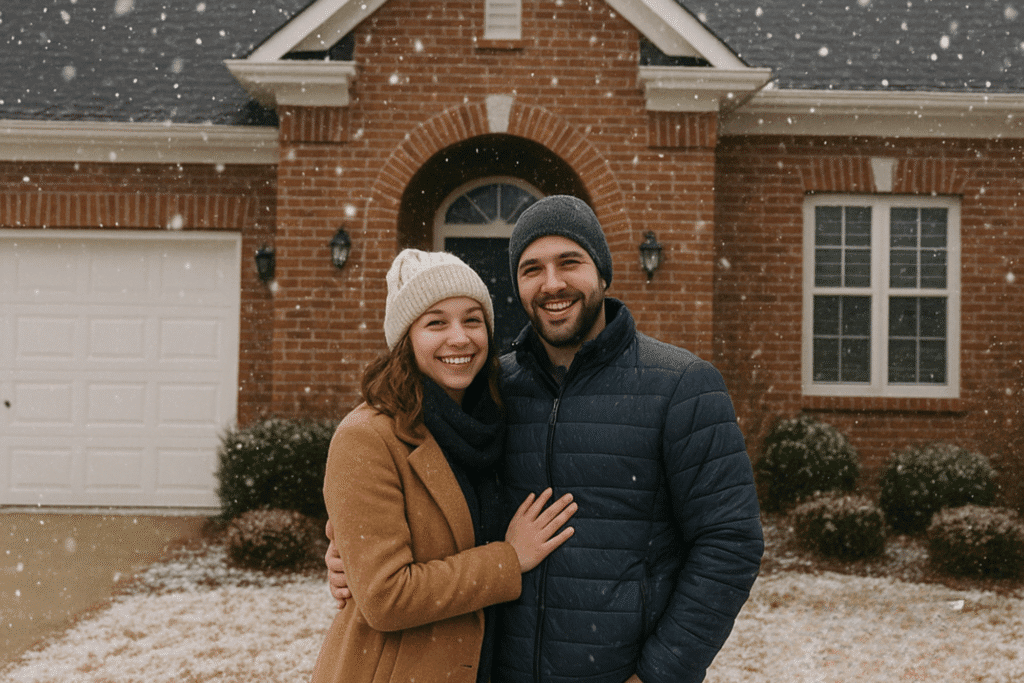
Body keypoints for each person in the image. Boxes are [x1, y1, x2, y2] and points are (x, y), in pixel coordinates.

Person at [327, 196, 764, 683]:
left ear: (602, 272)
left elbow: (730, 543)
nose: (552, 283)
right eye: (532, 268)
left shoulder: (681, 386)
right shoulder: (494, 390)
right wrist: (350, 549)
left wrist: (660, 674)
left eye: (569, 262)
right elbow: (425, 493)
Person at [311, 249, 578, 683]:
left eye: (473, 320)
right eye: (436, 323)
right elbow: (386, 597)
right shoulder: (367, 437)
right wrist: (509, 559)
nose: (460, 338)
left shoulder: (493, 421)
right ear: (405, 338)